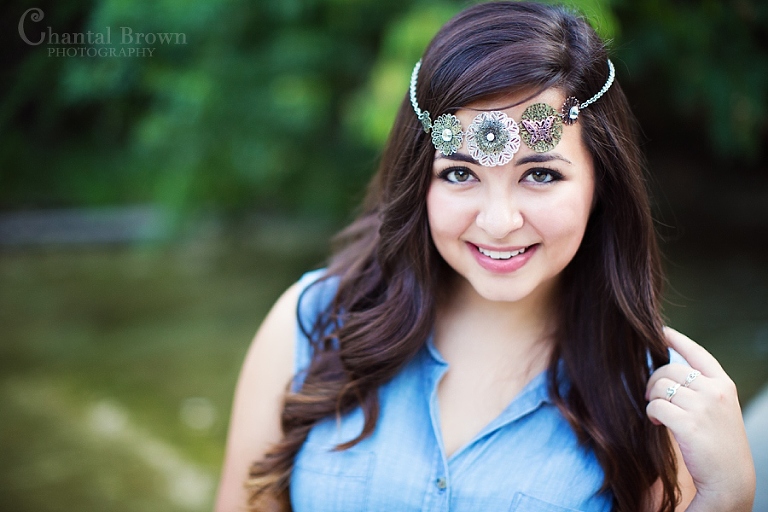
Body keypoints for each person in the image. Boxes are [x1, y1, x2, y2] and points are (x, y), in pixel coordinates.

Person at [215, 2, 756, 511]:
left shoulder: (660, 397)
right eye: (460, 173)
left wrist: (725, 498)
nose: (499, 221)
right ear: (419, 183)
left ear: (601, 184)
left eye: (540, 174)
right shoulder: (311, 325)